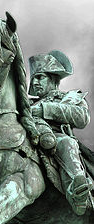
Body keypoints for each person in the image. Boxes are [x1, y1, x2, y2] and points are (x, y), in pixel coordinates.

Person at [28, 50, 93, 215]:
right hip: (27, 139)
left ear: (53, 79)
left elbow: (82, 117)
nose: (35, 82)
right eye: (33, 78)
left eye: (40, 77)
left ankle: (77, 191)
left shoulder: (71, 97)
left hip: (57, 140)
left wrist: (44, 109)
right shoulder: (27, 103)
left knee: (67, 143)